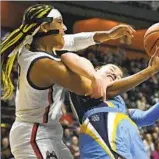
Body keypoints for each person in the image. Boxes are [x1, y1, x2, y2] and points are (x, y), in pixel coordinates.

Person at [1, 4, 136, 159]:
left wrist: (108, 35)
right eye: (59, 22)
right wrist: (97, 75)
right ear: (45, 27)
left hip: (48, 133)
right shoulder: (44, 64)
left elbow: (73, 41)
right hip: (33, 135)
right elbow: (88, 88)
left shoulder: (34, 44)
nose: (64, 27)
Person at [68, 48, 159, 159]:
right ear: (97, 69)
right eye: (112, 69)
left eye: (119, 77)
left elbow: (147, 118)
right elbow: (68, 57)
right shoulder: (85, 84)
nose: (115, 75)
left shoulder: (121, 107)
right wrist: (150, 70)